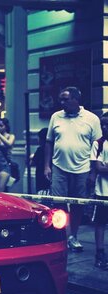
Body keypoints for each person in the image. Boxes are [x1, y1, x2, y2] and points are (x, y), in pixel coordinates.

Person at [44, 86, 102, 252]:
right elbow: (49, 142)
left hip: (82, 169)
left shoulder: (91, 119)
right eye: (60, 99)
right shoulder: (56, 117)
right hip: (59, 167)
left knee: (77, 205)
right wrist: (46, 166)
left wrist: (93, 172)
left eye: (65, 99)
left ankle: (73, 236)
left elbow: (97, 146)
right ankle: (60, 235)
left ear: (76, 100)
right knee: (58, 203)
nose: (61, 103)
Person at [90, 112, 108, 270]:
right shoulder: (99, 144)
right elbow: (99, 167)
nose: (104, 127)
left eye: (107, 124)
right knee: (100, 223)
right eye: (102, 124)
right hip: (102, 191)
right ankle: (100, 253)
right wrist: (103, 167)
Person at [29, 128, 51, 195]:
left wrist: (31, 157)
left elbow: (31, 163)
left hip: (40, 178)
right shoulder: (53, 150)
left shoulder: (39, 150)